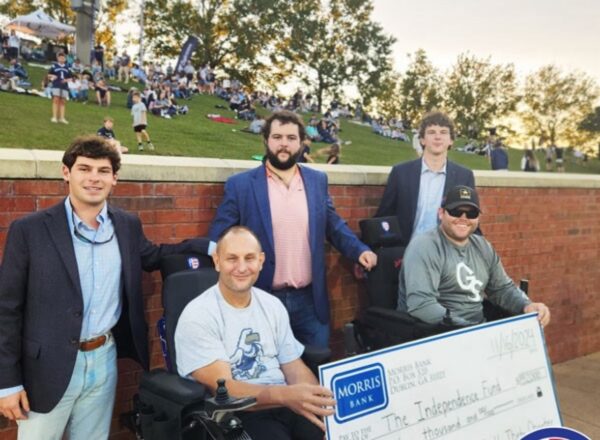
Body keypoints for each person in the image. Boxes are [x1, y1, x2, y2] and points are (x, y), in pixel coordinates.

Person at [0, 135, 210, 439]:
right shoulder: (29, 230)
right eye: (84, 169)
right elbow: (6, 309)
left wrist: (213, 246)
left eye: (103, 171)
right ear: (66, 172)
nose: (93, 178)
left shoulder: (126, 225)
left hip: (103, 358)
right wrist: (7, 382)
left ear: (115, 178)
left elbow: (155, 256)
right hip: (45, 368)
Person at [209, 110, 377, 348]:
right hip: (261, 298)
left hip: (310, 301)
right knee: (269, 376)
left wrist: (359, 251)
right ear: (266, 140)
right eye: (277, 137)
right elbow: (219, 237)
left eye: (290, 138)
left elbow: (333, 225)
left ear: (301, 143)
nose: (284, 144)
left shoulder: (316, 181)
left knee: (316, 369)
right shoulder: (241, 185)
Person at [175, 226, 335, 439]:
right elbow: (226, 391)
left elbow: (293, 366)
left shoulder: (272, 305)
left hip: (284, 401)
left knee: (328, 430)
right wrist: (285, 395)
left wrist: (319, 401)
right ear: (217, 261)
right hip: (238, 412)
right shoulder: (198, 315)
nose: (241, 267)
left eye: (249, 258)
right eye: (232, 258)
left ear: (260, 261)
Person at [398, 185, 551, 328]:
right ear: (441, 213)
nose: (463, 218)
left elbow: (502, 289)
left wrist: (527, 305)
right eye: (456, 212)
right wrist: (469, 330)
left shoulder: (482, 246)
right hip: (437, 333)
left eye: (471, 213)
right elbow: (422, 305)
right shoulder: (425, 246)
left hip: (477, 332)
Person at [375, 111, 476, 247]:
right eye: (431, 132)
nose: (438, 137)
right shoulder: (401, 173)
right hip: (406, 253)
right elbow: (383, 216)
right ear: (422, 139)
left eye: (443, 132)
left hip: (446, 256)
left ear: (451, 140)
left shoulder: (464, 176)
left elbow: (470, 221)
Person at [48, 52, 72, 124]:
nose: (62, 59)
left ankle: (62, 118)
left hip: (64, 86)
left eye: (63, 57)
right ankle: (54, 117)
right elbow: (48, 74)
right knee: (56, 99)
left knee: (63, 101)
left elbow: (71, 78)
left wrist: (66, 80)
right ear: (58, 58)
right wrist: (53, 76)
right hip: (56, 84)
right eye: (60, 57)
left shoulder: (67, 67)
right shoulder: (54, 66)